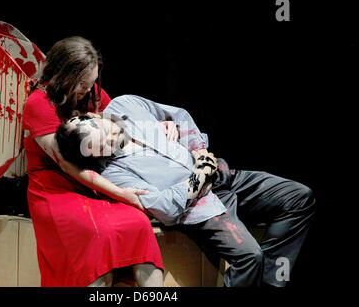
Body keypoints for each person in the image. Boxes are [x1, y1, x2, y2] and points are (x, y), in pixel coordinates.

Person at [56, 94, 317, 287]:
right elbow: (164, 207)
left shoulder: (125, 104)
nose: (112, 142)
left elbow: (178, 116)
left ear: (93, 117)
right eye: (103, 146)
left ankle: (272, 283)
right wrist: (197, 177)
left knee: (299, 197)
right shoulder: (112, 172)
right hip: (199, 206)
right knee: (250, 256)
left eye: (107, 134)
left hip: (220, 173)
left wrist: (199, 150)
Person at [22, 37, 165, 287]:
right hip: (54, 188)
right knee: (98, 232)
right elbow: (67, 165)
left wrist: (160, 126)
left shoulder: (93, 94)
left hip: (97, 182)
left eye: (91, 83)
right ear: (63, 75)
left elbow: (123, 127)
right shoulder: (38, 104)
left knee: (140, 224)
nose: (87, 90)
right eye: (82, 84)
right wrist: (123, 195)